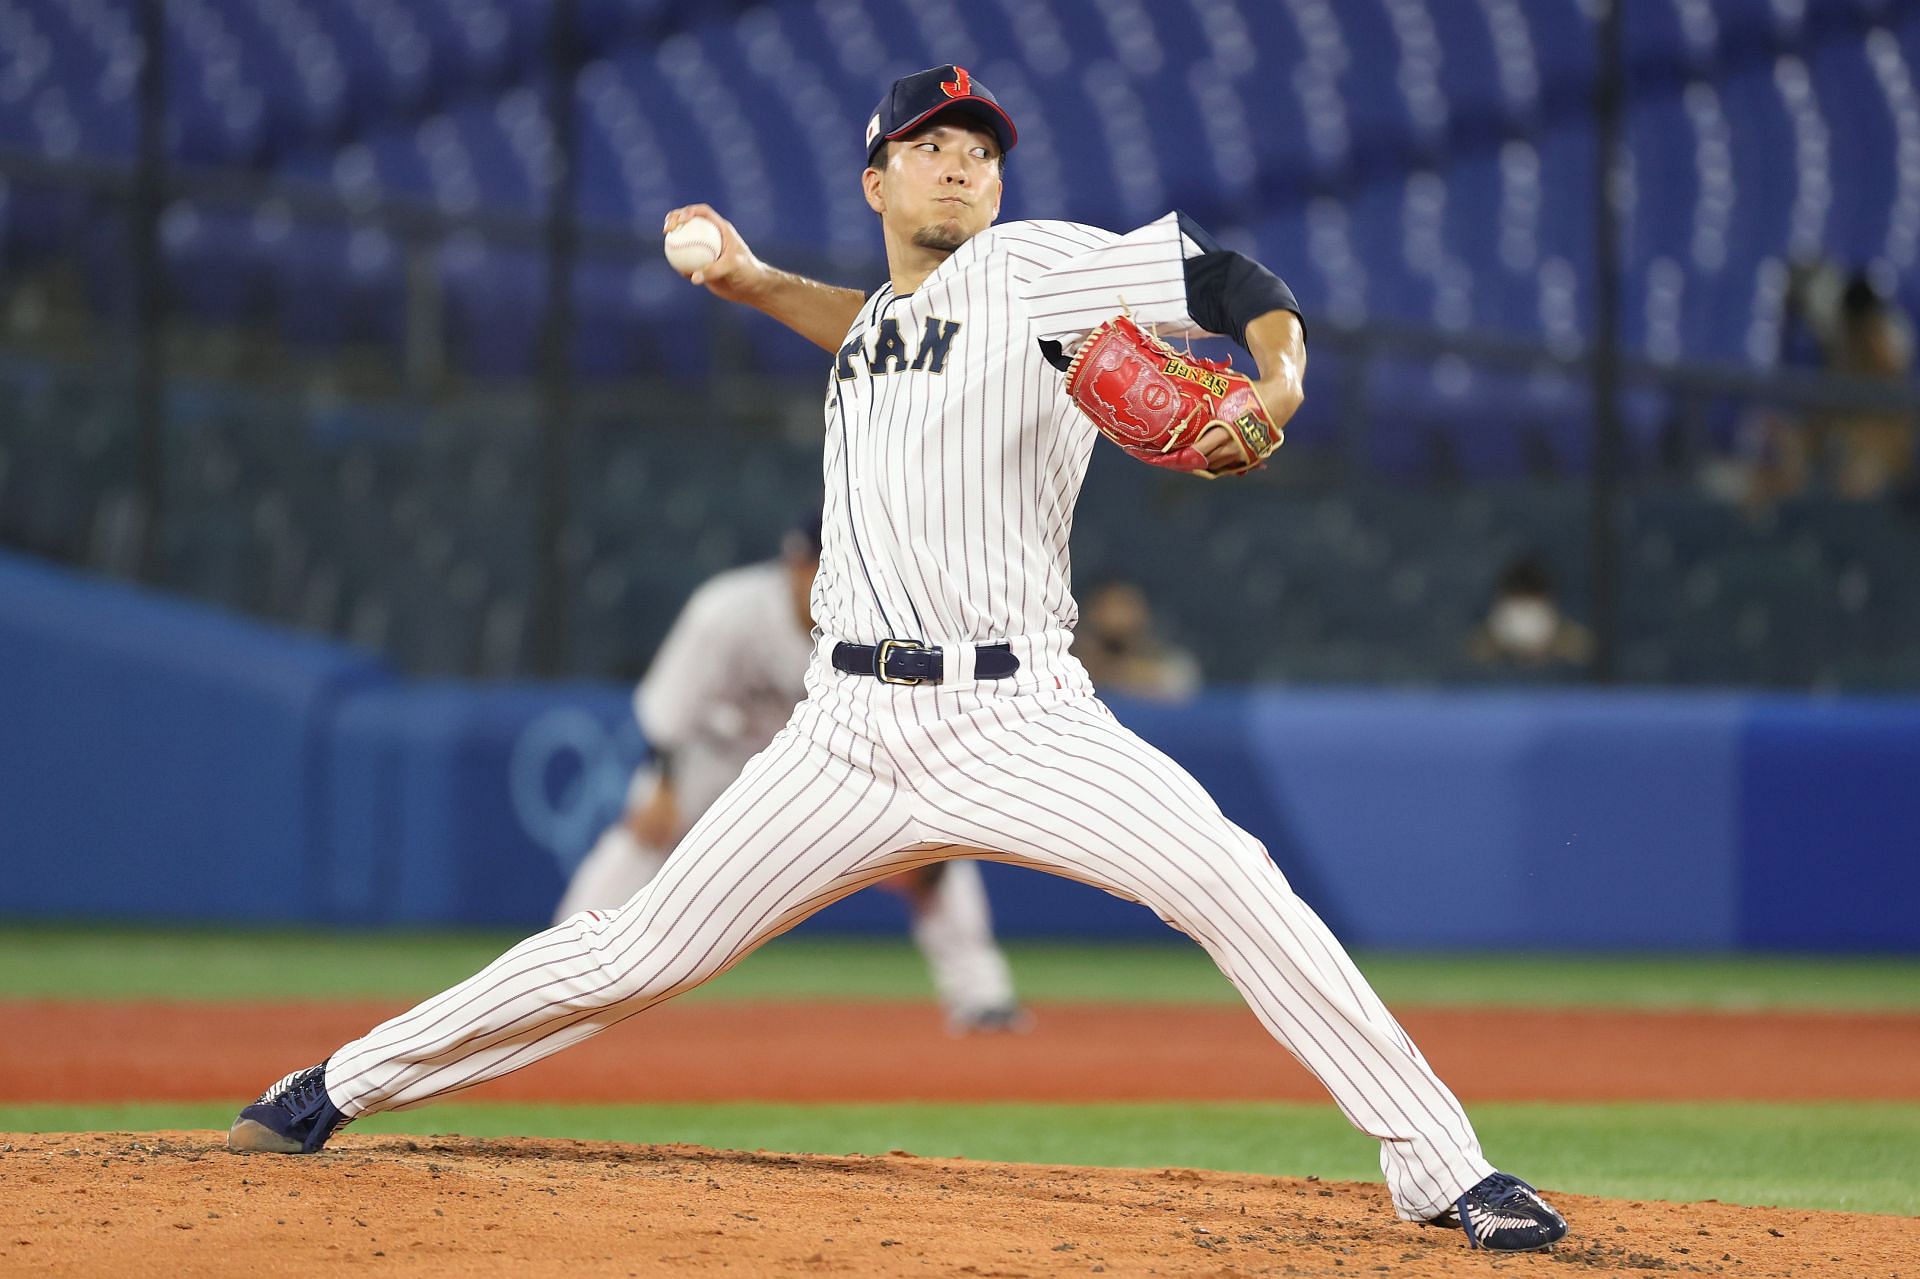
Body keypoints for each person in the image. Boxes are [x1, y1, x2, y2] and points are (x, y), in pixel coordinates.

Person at [227, 65, 1567, 1253]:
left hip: (1021, 716)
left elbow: (1229, 283)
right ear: (878, 176)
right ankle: (334, 1084)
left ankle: (1450, 1170)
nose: (964, 160)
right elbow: (870, 328)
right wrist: (755, 285)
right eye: (933, 142)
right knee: (636, 951)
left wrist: (1273, 384)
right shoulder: (886, 316)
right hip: (843, 732)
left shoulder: (1036, 270)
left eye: (981, 145)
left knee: (1231, 878)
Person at [557, 513, 1026, 1033]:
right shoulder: (727, 611)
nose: (821, 576)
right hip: (715, 755)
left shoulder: (882, 622)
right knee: (641, 838)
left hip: (824, 757)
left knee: (934, 835)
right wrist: (662, 785)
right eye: (812, 564)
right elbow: (669, 707)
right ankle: (562, 978)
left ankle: (982, 996)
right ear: (793, 564)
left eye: (833, 565)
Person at [1069, 579, 1202, 700]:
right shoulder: (1066, 660)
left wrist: (1125, 673)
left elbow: (1184, 690)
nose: (1117, 616)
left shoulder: (1170, 662)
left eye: (1125, 605)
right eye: (1108, 606)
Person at [1468, 555, 1594, 672]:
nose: (1524, 624)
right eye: (1517, 607)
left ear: (1552, 608)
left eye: (1531, 608)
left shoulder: (1579, 653)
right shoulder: (1475, 653)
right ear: (1497, 608)